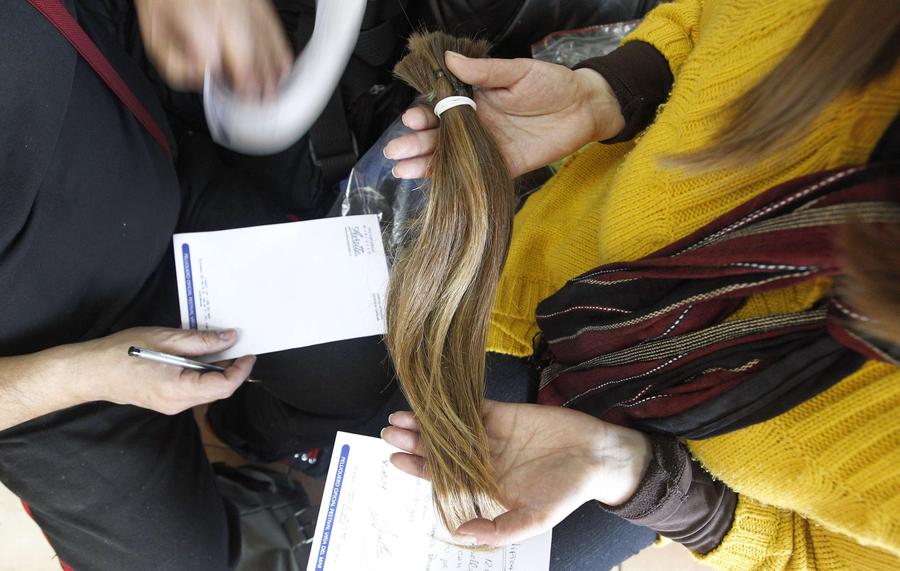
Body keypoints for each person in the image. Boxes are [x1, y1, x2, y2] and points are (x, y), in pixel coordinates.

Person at [383, 0, 900, 569]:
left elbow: (802, 553)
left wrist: (630, 473)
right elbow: (707, 15)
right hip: (539, 272)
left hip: (654, 459)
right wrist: (608, 94)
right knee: (326, 386)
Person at [0, 1, 398, 569]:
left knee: (374, 355)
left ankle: (248, 444)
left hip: (160, 198)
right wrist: (83, 373)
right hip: (41, 370)